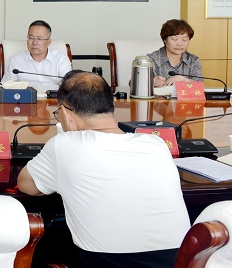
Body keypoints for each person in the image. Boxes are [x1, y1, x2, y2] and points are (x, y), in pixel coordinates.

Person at [17, 71, 190, 267]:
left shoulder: (64, 144)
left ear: (65, 112)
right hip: (177, 260)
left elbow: (26, 185)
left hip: (107, 262)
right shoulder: (156, 144)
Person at [0, 20, 71, 91]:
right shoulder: (17, 60)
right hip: (27, 96)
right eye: (31, 38)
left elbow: (69, 86)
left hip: (53, 96)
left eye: (39, 38)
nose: (34, 42)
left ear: (48, 42)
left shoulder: (60, 59)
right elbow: (6, 86)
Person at [148, 19, 201, 88]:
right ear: (165, 40)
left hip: (184, 95)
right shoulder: (151, 60)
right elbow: (135, 84)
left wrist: (184, 80)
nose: (180, 44)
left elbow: (200, 87)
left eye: (184, 40)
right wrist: (150, 82)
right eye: (174, 39)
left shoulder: (193, 60)